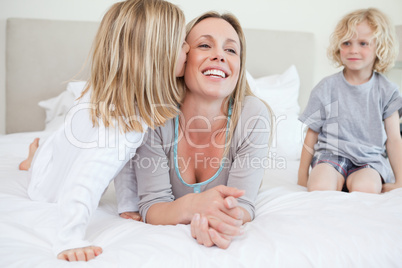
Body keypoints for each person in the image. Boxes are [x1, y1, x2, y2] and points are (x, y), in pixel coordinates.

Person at [18, 0, 189, 261]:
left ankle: (38, 151)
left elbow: (123, 160)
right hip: (46, 182)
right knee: (40, 160)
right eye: (181, 43)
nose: (187, 48)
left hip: (61, 151)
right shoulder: (121, 127)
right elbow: (85, 180)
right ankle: (33, 156)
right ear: (157, 55)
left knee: (57, 147)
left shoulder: (119, 104)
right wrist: (70, 239)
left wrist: (128, 204)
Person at [116, 11, 273, 249]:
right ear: (181, 57)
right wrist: (195, 208)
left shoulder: (253, 116)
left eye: (231, 50)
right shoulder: (156, 115)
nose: (219, 55)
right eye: (204, 45)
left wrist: (219, 222)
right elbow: (152, 206)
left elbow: (244, 206)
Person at [298, 8, 402, 193]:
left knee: (367, 188)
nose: (353, 50)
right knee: (320, 186)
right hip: (330, 156)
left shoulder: (388, 91)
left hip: (369, 160)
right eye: (347, 43)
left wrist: (399, 180)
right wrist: (302, 177)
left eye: (363, 43)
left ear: (380, 47)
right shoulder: (326, 87)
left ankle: (353, 182)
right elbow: (311, 134)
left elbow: (394, 139)